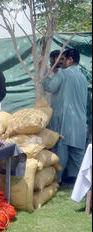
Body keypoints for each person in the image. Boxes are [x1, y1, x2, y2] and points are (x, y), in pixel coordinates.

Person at [43, 48, 88, 184]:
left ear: (70, 60)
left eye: (63, 59)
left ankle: (59, 179)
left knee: (61, 150)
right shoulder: (83, 77)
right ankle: (78, 180)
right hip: (80, 121)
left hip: (65, 120)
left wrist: (44, 77)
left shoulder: (63, 74)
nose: (60, 62)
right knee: (77, 153)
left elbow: (50, 87)